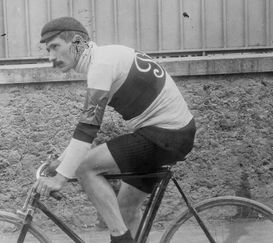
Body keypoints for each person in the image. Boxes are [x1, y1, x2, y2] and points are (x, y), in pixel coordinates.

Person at [32, 16, 196, 243]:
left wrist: (61, 178)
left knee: (85, 167)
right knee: (125, 208)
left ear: (77, 42)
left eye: (55, 47)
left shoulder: (101, 65)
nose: (50, 58)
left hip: (164, 134)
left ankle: (121, 240)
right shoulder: (105, 58)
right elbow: (86, 132)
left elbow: (87, 129)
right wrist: (62, 161)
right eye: (48, 50)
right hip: (171, 134)